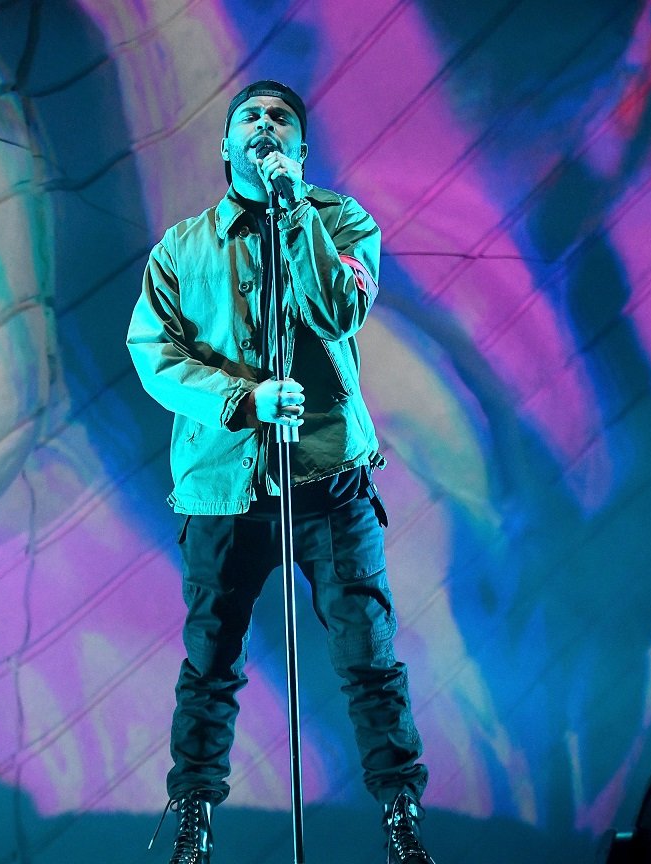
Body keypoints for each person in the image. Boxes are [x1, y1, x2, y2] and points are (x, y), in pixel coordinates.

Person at [127, 79, 435, 864]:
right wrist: (244, 399)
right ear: (226, 145)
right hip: (223, 489)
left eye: (281, 119)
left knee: (368, 655)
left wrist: (294, 209)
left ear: (300, 148)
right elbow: (154, 356)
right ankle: (194, 821)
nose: (264, 125)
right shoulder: (182, 248)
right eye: (250, 118)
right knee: (211, 663)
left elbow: (338, 310)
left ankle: (401, 820)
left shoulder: (343, 223)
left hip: (329, 485)